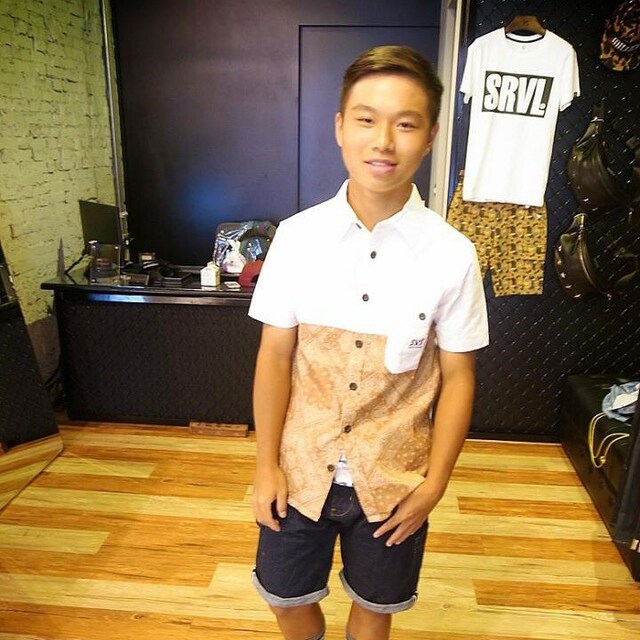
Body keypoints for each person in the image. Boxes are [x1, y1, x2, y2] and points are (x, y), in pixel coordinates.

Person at [248, 45, 489, 640]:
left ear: (430, 137)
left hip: (395, 478)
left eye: (405, 124)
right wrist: (265, 465)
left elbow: (459, 377)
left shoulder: (453, 254)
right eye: (366, 119)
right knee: (284, 598)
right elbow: (274, 356)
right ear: (339, 127)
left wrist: (434, 484)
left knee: (375, 607)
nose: (384, 141)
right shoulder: (297, 238)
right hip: (299, 468)